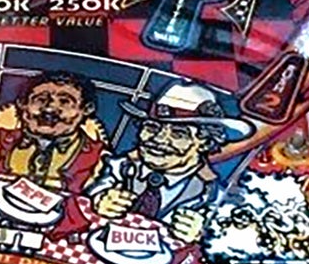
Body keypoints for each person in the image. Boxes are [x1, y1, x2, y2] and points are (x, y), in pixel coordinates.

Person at [88, 80, 243, 245]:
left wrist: (204, 234)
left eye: (178, 134)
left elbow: (227, 241)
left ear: (204, 143)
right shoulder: (120, 167)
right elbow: (93, 190)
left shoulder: (212, 195)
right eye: (152, 127)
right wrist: (99, 199)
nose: (159, 139)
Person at [0, 70, 107, 194]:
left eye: (64, 102)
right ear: (22, 104)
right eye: (40, 100)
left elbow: (102, 196)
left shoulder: (100, 157)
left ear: (86, 109)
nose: (49, 109)